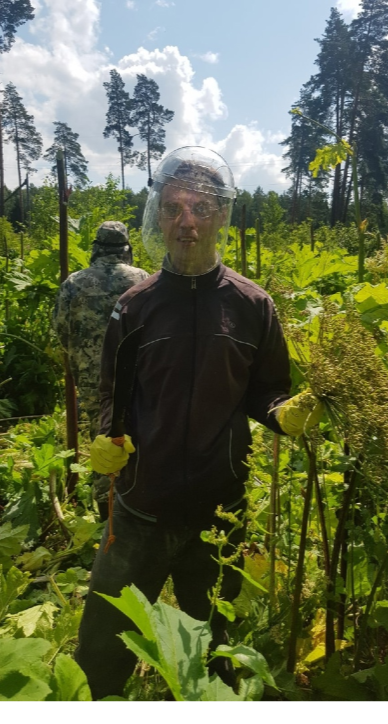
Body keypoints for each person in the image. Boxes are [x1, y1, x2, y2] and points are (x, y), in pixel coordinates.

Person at [73, 147, 321, 699]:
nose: (187, 221)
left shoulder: (253, 307)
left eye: (202, 207)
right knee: (99, 651)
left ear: (223, 216)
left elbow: (267, 392)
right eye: (174, 207)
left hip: (219, 515)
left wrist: (286, 414)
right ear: (158, 216)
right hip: (139, 509)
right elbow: (113, 395)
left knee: (214, 654)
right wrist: (105, 439)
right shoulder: (134, 308)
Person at [51, 221, 148, 519]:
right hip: (140, 376)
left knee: (102, 438)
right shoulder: (143, 280)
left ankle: (107, 517)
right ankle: (140, 506)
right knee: (142, 434)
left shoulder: (74, 283)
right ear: (126, 249)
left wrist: (80, 361)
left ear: (95, 248)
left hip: (94, 380)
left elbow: (59, 332)